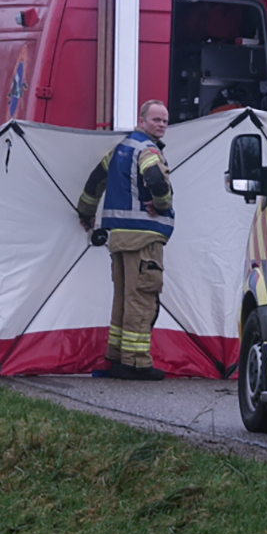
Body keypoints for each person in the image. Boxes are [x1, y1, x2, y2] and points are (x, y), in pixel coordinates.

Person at [76, 99, 174, 381]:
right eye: (156, 119)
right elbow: (156, 179)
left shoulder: (119, 149)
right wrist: (162, 204)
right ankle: (137, 362)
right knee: (142, 298)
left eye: (165, 120)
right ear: (141, 121)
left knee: (123, 298)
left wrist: (86, 213)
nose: (162, 124)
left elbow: (95, 180)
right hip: (144, 238)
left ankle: (118, 357)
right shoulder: (148, 150)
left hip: (118, 239)